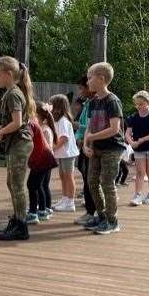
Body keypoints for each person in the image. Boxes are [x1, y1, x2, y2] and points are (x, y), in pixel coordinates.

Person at [0, 56, 35, 241]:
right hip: (17, 144)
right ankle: (16, 219)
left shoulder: (13, 94)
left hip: (21, 145)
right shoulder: (13, 92)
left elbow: (17, 122)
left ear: (8, 74)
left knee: (17, 186)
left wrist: (3, 131)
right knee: (11, 184)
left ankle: (21, 226)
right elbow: (11, 123)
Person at [82, 62, 126, 235]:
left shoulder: (112, 101)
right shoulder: (93, 102)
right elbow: (89, 127)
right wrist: (86, 143)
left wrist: (92, 137)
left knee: (107, 183)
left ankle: (112, 221)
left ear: (101, 79)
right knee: (92, 182)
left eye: (90, 77)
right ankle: (101, 216)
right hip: (96, 148)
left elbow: (115, 129)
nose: (87, 81)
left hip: (112, 149)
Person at [125, 90, 149, 206]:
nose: (138, 106)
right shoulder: (133, 117)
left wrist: (143, 139)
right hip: (139, 149)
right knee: (140, 172)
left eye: (141, 104)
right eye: (137, 104)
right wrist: (131, 143)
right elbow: (127, 133)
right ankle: (137, 195)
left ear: (147, 103)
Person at [26, 105, 58, 225]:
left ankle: (33, 213)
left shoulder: (42, 128)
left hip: (42, 160)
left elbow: (40, 146)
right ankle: (42, 210)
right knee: (39, 186)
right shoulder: (40, 127)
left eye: (34, 115)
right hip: (43, 160)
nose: (32, 116)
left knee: (32, 185)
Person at [74, 75, 97, 226]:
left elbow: (91, 126)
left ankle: (92, 211)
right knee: (85, 177)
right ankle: (90, 210)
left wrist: (77, 127)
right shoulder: (88, 103)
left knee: (90, 179)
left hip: (89, 144)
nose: (80, 91)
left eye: (82, 88)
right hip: (83, 143)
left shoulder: (93, 103)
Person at [50, 94, 79, 212]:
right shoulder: (57, 120)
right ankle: (65, 198)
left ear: (58, 107)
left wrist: (52, 148)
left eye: (52, 105)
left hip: (68, 153)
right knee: (63, 176)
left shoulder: (63, 121)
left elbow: (64, 139)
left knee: (68, 176)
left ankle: (70, 202)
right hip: (62, 154)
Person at [38, 102, 56, 217]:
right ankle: (47, 207)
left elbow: (43, 147)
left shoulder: (44, 130)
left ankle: (43, 208)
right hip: (47, 160)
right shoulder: (46, 128)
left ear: (43, 119)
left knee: (40, 185)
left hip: (43, 161)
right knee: (44, 185)